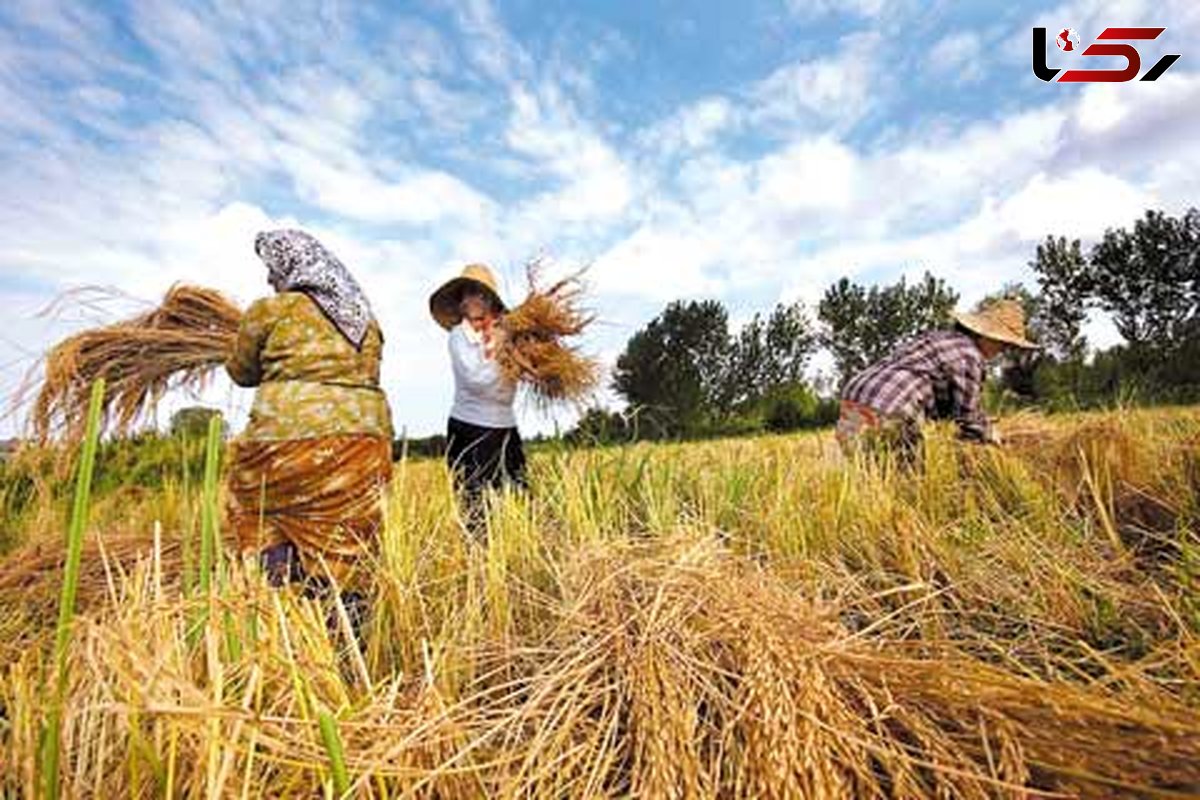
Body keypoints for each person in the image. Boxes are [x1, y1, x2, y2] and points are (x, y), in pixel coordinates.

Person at [225, 229, 393, 637]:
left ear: (293, 268)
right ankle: (347, 646)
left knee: (259, 517)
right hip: (364, 444)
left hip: (282, 446)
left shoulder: (270, 310)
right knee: (348, 547)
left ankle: (277, 624)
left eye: (273, 269)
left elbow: (240, 371)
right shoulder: (366, 320)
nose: (269, 279)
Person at [836, 298, 1037, 469]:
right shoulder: (970, 356)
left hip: (856, 394)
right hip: (891, 405)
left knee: (870, 472)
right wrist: (992, 435)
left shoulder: (938, 337)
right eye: (1002, 344)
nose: (1002, 350)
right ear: (985, 335)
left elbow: (940, 404)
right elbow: (967, 420)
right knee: (909, 479)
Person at [429, 264, 526, 538]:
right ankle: (481, 568)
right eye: (468, 293)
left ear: (490, 301)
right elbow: (477, 380)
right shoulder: (459, 336)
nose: (473, 299)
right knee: (477, 506)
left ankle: (515, 554)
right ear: (460, 303)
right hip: (471, 428)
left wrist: (524, 355)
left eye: (480, 294)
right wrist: (507, 354)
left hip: (505, 427)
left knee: (518, 496)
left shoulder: (504, 332)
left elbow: (515, 379)